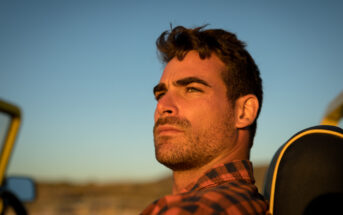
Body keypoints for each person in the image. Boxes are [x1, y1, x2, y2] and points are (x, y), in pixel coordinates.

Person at [141, 25, 268, 215]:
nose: (162, 106)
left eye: (192, 89)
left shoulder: (196, 209)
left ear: (244, 112)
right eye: (161, 94)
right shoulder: (245, 204)